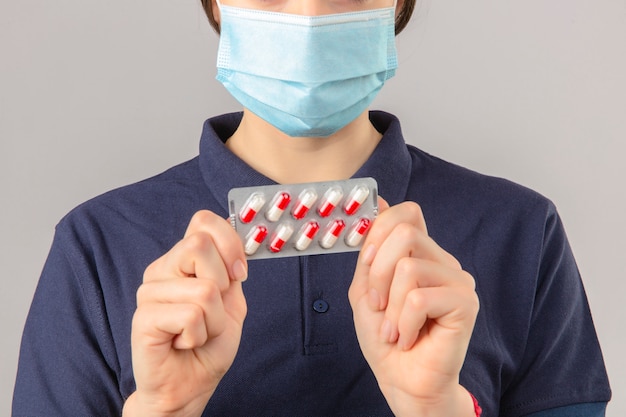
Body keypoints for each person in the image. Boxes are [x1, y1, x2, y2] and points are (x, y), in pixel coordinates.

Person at [12, 0, 611, 416]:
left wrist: (439, 411)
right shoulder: (96, 246)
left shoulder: (521, 233)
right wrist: (159, 411)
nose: (308, 19)